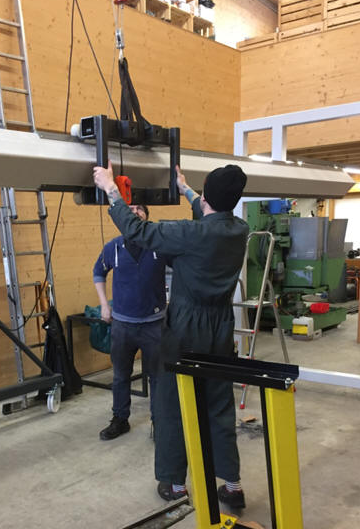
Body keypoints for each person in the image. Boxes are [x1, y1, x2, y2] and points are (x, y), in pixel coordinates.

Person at [93, 161, 249, 508]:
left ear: (207, 197)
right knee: (219, 403)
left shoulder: (189, 234)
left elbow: (138, 231)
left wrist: (111, 190)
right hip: (221, 327)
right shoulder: (239, 229)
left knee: (172, 405)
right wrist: (185, 188)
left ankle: (175, 485)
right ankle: (233, 486)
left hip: (186, 329)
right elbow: (209, 212)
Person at [93, 203, 167, 441]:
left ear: (147, 217)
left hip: (154, 325)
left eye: (140, 209)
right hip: (122, 325)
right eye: (130, 209)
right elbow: (98, 272)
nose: (135, 212)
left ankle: (159, 422)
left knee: (157, 376)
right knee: (120, 375)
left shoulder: (159, 245)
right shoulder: (113, 247)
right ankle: (120, 419)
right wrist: (104, 305)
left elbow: (182, 269)